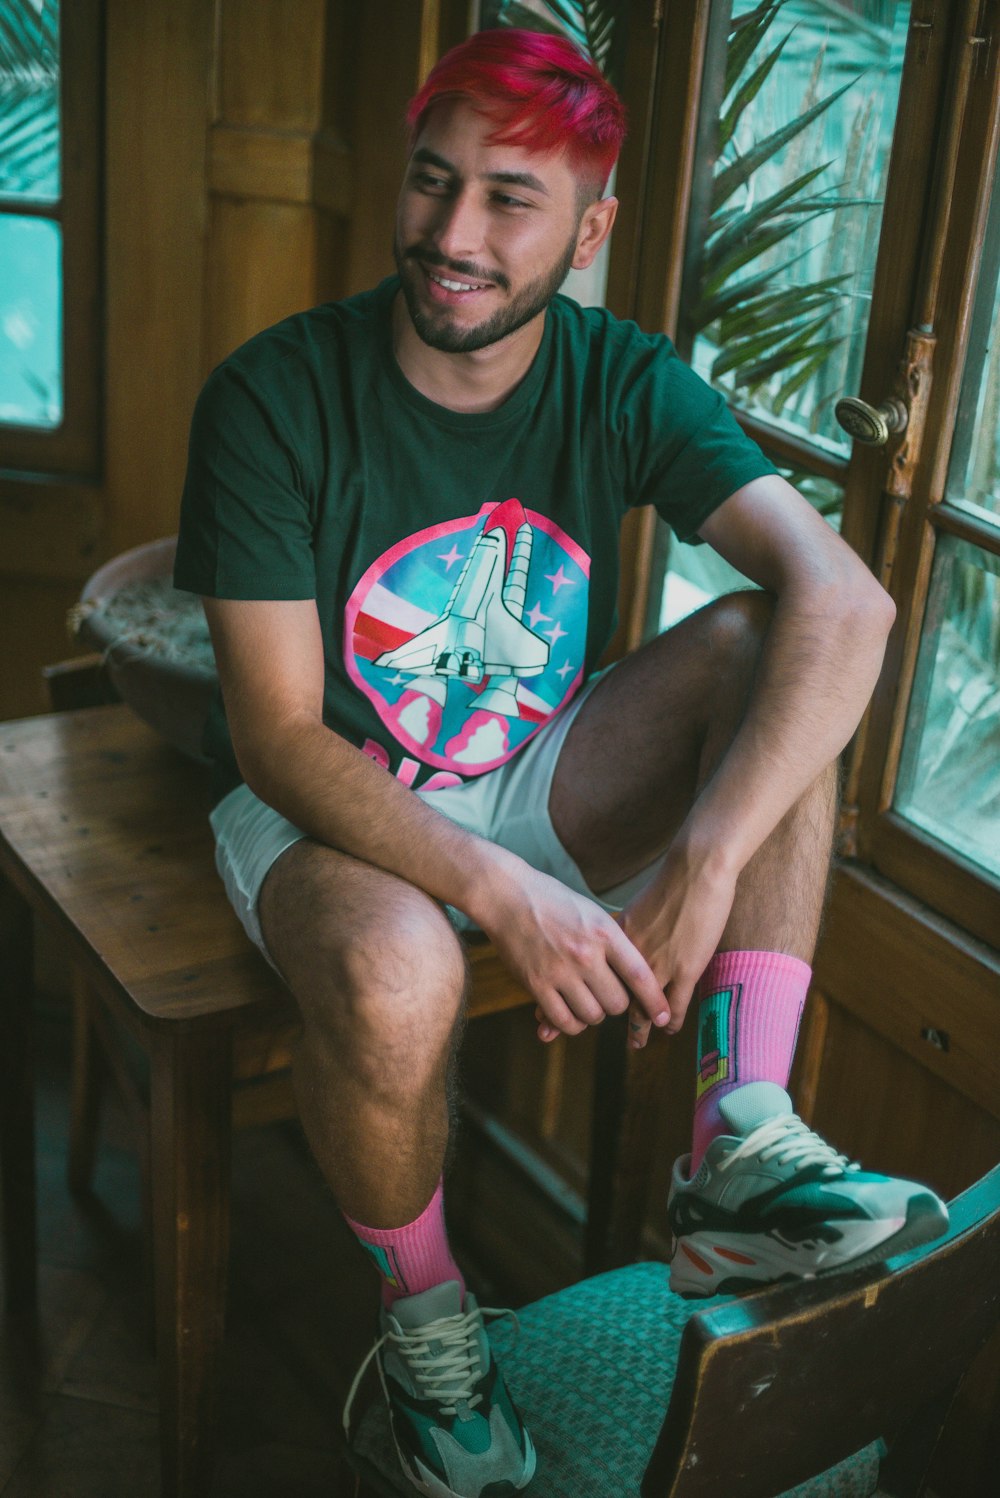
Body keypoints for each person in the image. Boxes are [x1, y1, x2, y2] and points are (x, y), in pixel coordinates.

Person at [174, 28, 948, 1498]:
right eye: (432, 183)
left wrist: (706, 863)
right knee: (404, 967)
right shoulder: (274, 396)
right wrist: (503, 894)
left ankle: (738, 1150)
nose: (452, 235)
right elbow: (275, 734)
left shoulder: (621, 378)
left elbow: (852, 600)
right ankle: (425, 1344)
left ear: (589, 231)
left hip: (539, 767)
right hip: (327, 800)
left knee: (765, 652)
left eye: (508, 200)